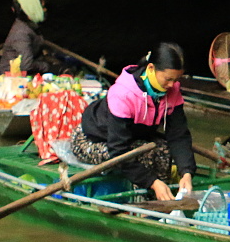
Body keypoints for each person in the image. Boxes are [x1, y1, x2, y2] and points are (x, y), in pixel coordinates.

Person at [70, 43, 197, 201]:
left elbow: (178, 135)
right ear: (151, 68)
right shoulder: (123, 94)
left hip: (132, 138)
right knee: (143, 153)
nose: (172, 85)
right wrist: (152, 182)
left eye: (177, 80)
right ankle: (141, 205)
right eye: (168, 79)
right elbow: (118, 150)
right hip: (91, 140)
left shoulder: (172, 92)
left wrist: (186, 172)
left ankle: (162, 200)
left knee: (164, 149)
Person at [0, 0, 53, 73]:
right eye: (42, 7)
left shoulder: (29, 27)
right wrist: (48, 67)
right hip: (12, 77)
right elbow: (26, 65)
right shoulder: (21, 32)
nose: (45, 10)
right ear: (33, 8)